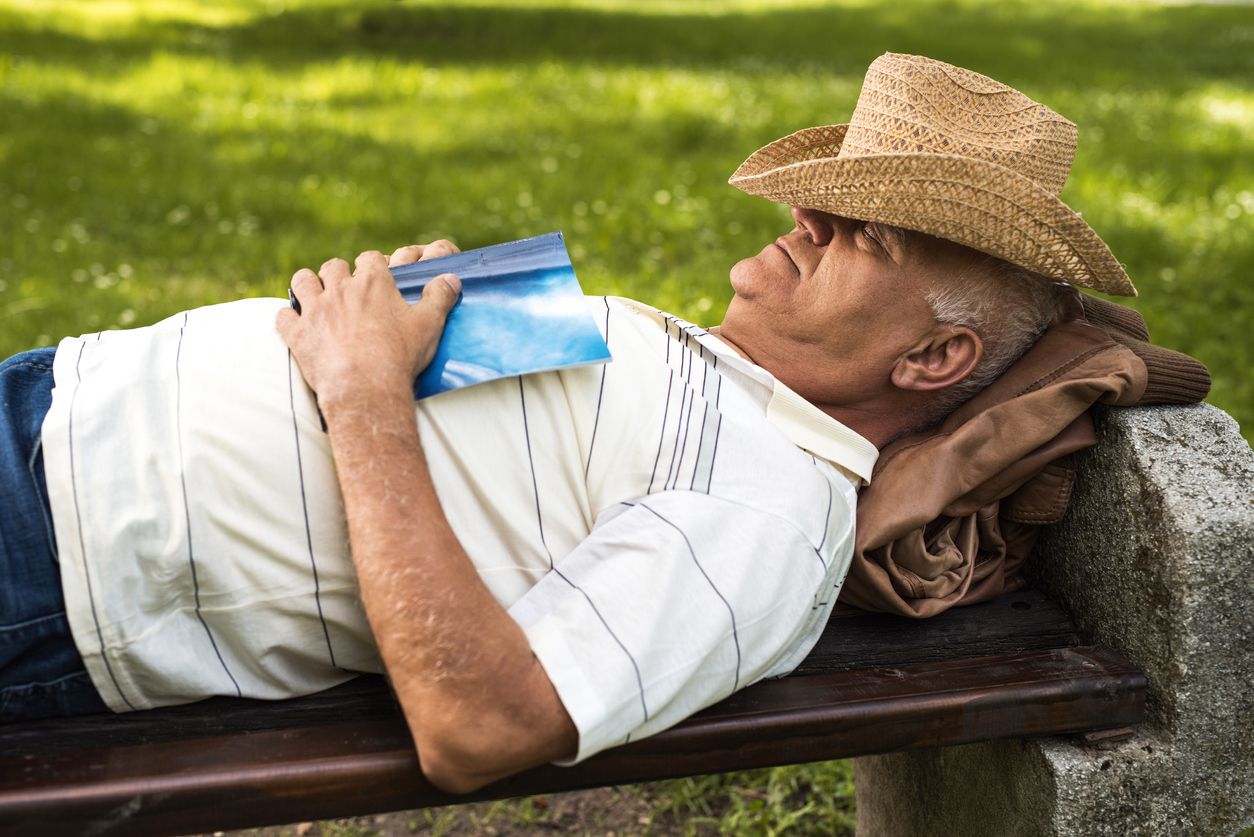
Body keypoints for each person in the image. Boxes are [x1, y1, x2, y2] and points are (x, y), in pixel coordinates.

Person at [0, 54, 1141, 792]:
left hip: (63, 548)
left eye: (867, 235)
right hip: (62, 400)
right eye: (828, 198)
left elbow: (483, 727)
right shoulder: (721, 376)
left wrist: (364, 392)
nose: (810, 217)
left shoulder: (771, 509)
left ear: (931, 357)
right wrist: (429, 314)